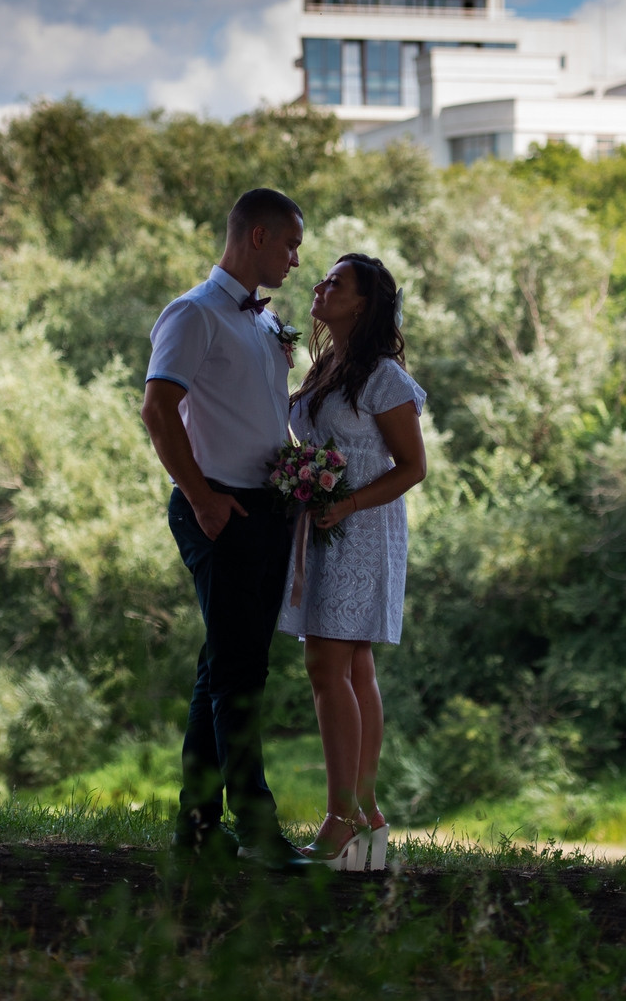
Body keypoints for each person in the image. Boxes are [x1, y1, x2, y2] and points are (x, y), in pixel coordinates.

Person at [140, 188, 309, 868]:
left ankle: (199, 828)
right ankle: (257, 827)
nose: (295, 259)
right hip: (220, 509)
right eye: (291, 245)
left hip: (269, 509)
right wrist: (202, 497)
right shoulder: (193, 313)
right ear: (258, 236)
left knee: (223, 666)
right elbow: (158, 409)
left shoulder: (266, 323)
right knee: (240, 673)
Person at [279, 253, 427, 872]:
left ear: (363, 303)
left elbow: (413, 467)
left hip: (362, 526)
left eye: (336, 282)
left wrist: (348, 503)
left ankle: (341, 818)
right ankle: (367, 815)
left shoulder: (383, 376)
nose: (321, 286)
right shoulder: (325, 367)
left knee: (326, 663)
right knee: (353, 662)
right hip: (323, 525)